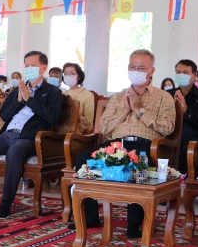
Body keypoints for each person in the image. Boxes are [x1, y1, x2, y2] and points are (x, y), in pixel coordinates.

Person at [70, 49, 175, 237]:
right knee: (83, 159)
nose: (136, 71)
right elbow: (104, 128)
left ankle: (133, 224)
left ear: (151, 71)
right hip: (116, 145)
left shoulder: (163, 97)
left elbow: (168, 128)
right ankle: (89, 217)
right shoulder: (117, 97)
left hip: (145, 145)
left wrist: (139, 110)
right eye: (132, 67)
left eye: (141, 68)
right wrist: (125, 111)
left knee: (139, 162)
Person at [0, 50, 62, 218]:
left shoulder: (53, 92)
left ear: (43, 68)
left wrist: (30, 99)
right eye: (27, 65)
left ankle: (5, 203)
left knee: (15, 151)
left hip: (30, 138)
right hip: (7, 135)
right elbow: (4, 115)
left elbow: (52, 116)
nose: (29, 69)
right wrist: (18, 100)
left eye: (33, 65)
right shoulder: (17, 89)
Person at [166, 60, 198, 173]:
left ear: (194, 75)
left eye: (185, 72)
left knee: (185, 151)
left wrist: (186, 110)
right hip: (171, 137)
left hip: (195, 141)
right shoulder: (168, 95)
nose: (181, 75)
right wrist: (173, 108)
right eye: (178, 72)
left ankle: (182, 182)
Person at [62, 63, 95, 133]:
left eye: (72, 74)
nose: (68, 76)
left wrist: (75, 114)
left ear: (79, 77)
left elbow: (89, 122)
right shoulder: (62, 93)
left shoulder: (88, 95)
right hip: (58, 131)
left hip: (75, 133)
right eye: (65, 74)